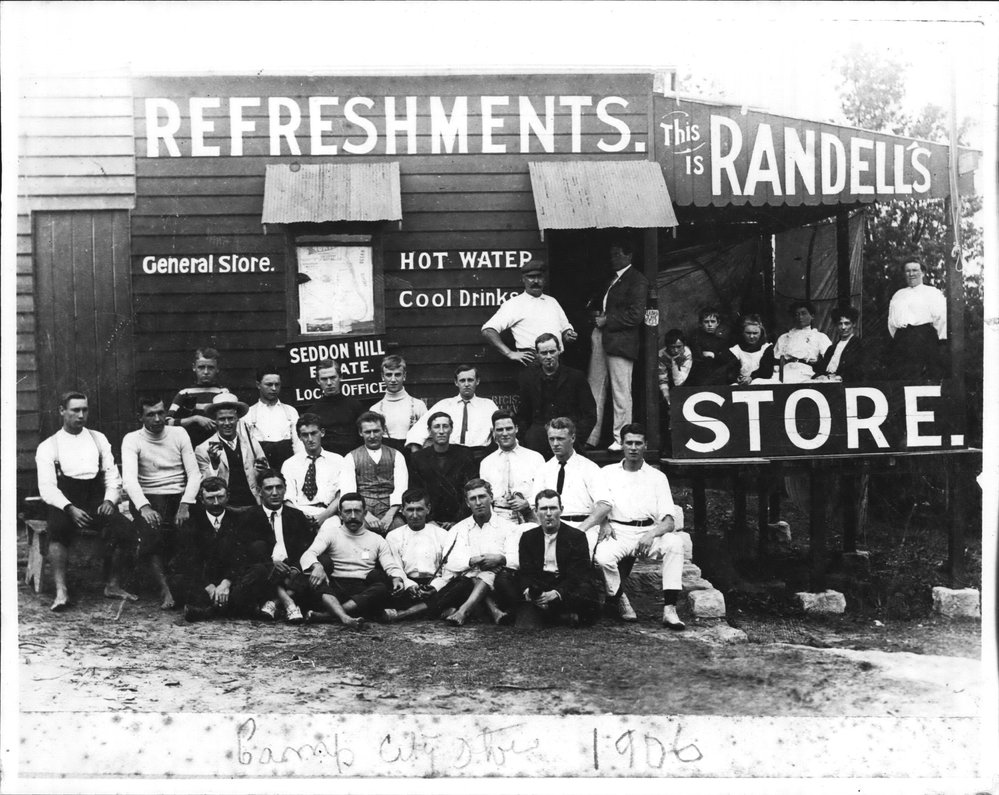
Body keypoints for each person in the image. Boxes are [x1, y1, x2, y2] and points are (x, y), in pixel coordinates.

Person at [35, 391, 137, 611]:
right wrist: (69, 508)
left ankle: (113, 584)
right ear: (62, 411)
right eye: (75, 410)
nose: (81, 415)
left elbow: (112, 475)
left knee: (124, 529)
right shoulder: (48, 446)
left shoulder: (98, 439)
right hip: (64, 501)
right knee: (58, 529)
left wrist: (110, 500)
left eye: (85, 410)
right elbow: (47, 488)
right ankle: (62, 591)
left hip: (94, 499)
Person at [596, 424, 688, 628]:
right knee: (602, 558)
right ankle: (620, 599)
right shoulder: (607, 473)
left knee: (675, 544)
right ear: (621, 444)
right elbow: (597, 504)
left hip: (648, 532)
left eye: (638, 443)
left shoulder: (657, 477)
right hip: (618, 531)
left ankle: (670, 609)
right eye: (629, 442)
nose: (633, 447)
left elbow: (669, 521)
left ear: (645, 445)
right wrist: (603, 522)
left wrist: (651, 534)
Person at [121, 395, 201, 609]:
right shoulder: (132, 439)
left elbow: (194, 473)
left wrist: (185, 504)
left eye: (161, 413)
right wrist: (144, 507)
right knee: (152, 534)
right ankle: (165, 589)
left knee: (190, 532)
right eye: (151, 415)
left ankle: (189, 587)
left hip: (178, 496)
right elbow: (129, 479)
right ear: (140, 417)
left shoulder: (179, 433)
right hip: (149, 497)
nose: (157, 419)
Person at [495, 490, 601, 627]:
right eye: (544, 509)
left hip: (563, 584)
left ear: (561, 510)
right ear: (537, 511)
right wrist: (529, 591)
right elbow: (527, 571)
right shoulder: (528, 537)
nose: (549, 513)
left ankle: (545, 612)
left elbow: (578, 575)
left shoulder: (577, 536)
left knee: (586, 590)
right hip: (539, 584)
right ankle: (556, 614)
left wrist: (556, 593)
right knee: (503, 580)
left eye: (553, 508)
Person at [300, 493, 406, 626]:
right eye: (348, 512)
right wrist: (317, 566)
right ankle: (345, 617)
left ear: (365, 513)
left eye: (357, 511)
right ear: (340, 514)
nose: (353, 516)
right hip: (334, 588)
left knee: (381, 587)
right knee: (318, 574)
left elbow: (390, 565)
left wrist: (396, 577)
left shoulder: (377, 539)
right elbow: (308, 554)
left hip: (362, 590)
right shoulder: (330, 534)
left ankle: (328, 616)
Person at [586, 241, 649, 451]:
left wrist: (608, 320)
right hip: (602, 338)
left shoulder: (637, 280)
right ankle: (591, 436)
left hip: (620, 342)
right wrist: (598, 316)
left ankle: (621, 438)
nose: (612, 258)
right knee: (595, 387)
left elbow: (636, 315)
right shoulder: (613, 279)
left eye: (616, 253)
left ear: (628, 255)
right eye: (611, 254)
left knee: (621, 391)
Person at [169, 477, 259, 622]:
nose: (216, 503)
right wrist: (209, 587)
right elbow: (189, 560)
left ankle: (208, 611)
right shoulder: (191, 523)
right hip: (204, 581)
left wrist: (226, 583)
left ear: (228, 496)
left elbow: (243, 556)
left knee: (257, 571)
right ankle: (233, 609)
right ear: (202, 499)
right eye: (210, 498)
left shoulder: (239, 520)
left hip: (231, 579)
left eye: (220, 497)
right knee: (177, 579)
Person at [432, 479, 517, 627]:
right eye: (473, 498)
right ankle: (493, 611)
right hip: (467, 584)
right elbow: (449, 562)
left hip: (498, 586)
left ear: (491, 497)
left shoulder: (508, 527)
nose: (478, 502)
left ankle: (463, 610)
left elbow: (517, 558)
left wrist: (500, 559)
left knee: (492, 572)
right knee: (471, 577)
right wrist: (472, 561)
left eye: (482, 496)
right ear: (467, 503)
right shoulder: (458, 529)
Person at [236, 470, 315, 623]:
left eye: (279, 487)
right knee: (259, 550)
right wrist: (271, 565)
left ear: (285, 489)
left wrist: (295, 568)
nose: (274, 493)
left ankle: (273, 603)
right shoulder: (248, 517)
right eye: (268, 488)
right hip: (265, 571)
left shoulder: (296, 516)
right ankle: (288, 603)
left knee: (320, 565)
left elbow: (307, 548)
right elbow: (243, 553)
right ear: (259, 491)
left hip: (291, 570)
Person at [481, 259, 577, 365]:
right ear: (523, 279)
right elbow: (488, 330)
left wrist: (568, 334)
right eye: (531, 277)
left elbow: (565, 328)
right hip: (533, 361)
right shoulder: (514, 304)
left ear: (544, 279)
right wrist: (509, 353)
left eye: (539, 277)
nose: (536, 281)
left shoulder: (552, 301)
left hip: (556, 359)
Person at [516, 333, 596, 456]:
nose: (548, 356)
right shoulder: (528, 379)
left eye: (552, 352)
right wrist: (527, 438)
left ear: (559, 351)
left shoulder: (576, 377)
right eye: (543, 353)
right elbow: (523, 415)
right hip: (537, 442)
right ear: (537, 355)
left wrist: (576, 438)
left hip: (568, 441)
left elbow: (590, 414)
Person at [380, 489, 453, 622]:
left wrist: (435, 587)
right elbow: (396, 568)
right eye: (410, 510)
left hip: (435, 586)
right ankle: (437, 610)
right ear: (402, 510)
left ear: (428, 509)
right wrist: (409, 586)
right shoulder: (393, 536)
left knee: (459, 585)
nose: (414, 515)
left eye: (419, 509)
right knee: (386, 587)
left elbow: (448, 570)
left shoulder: (442, 534)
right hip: (408, 586)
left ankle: (405, 614)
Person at [530, 417, 611, 535]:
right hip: (551, 528)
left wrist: (580, 530)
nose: (555, 444)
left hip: (583, 526)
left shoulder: (589, 467)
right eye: (551, 439)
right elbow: (534, 506)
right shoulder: (543, 469)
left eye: (560, 439)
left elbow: (605, 505)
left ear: (572, 438)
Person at [405, 365, 499, 459]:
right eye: (462, 380)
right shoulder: (444, 405)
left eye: (470, 380)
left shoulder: (488, 405)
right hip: (451, 457)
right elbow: (418, 430)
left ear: (477, 381)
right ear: (456, 382)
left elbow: (500, 431)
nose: (466, 384)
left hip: (478, 456)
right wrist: (417, 457)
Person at [194, 393, 269, 508]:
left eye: (231, 419)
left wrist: (262, 470)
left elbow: (265, 472)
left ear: (237, 419)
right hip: (224, 508)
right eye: (222, 419)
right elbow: (205, 486)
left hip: (253, 504)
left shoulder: (251, 442)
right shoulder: (203, 449)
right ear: (215, 421)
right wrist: (214, 466)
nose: (227, 423)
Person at [340, 412, 408, 535]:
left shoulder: (397, 455)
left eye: (376, 431)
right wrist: (366, 514)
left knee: (401, 533)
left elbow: (401, 489)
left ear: (383, 430)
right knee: (358, 534)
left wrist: (389, 515)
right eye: (367, 432)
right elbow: (348, 492)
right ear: (361, 433)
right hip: (362, 511)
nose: (372, 436)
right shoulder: (350, 457)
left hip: (390, 510)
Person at [408, 412, 479, 527]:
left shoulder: (465, 454)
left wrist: (457, 521)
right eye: (436, 426)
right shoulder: (418, 458)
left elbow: (471, 490)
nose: (441, 431)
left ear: (451, 429)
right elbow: (415, 492)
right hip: (429, 522)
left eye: (445, 426)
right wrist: (429, 520)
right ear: (429, 430)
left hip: (460, 521)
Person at [479, 410, 545, 523]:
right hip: (498, 519)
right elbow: (485, 497)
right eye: (499, 430)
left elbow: (543, 491)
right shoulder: (486, 463)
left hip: (530, 516)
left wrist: (527, 504)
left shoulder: (535, 458)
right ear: (494, 432)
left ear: (516, 429)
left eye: (509, 428)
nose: (504, 433)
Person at [281, 413, 343, 528]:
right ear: (299, 437)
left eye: (314, 433)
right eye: (305, 435)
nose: (310, 439)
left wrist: (323, 516)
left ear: (322, 432)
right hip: (298, 513)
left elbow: (340, 496)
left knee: (333, 530)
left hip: (327, 514)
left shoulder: (337, 460)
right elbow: (287, 499)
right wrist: (302, 517)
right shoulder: (289, 464)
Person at [887, 260, 947, 380]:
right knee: (901, 376)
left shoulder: (932, 292)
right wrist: (899, 337)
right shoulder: (898, 295)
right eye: (908, 271)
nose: (911, 274)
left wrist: (940, 340)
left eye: (915, 270)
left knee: (926, 375)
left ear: (923, 272)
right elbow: (892, 322)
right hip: (902, 338)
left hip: (924, 336)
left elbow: (940, 318)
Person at [752, 301, 832, 383]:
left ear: (812, 316)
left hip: (806, 372)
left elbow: (830, 358)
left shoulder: (820, 337)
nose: (800, 317)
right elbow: (775, 360)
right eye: (797, 314)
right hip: (784, 371)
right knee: (757, 382)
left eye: (803, 313)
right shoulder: (784, 337)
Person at [166, 347, 228, 448]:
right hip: (189, 447)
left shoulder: (223, 393)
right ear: (194, 367)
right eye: (201, 367)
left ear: (217, 369)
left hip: (217, 447)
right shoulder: (185, 393)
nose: (206, 372)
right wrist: (195, 419)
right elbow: (167, 422)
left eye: (211, 367)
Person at [244, 366, 303, 471]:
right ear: (258, 385)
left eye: (277, 384)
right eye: (269, 385)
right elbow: (246, 449)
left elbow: (298, 444)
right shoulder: (249, 414)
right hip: (261, 468)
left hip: (287, 466)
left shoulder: (290, 411)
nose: (274, 388)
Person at [305, 358, 364, 455]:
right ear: (318, 381)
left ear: (340, 377)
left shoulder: (355, 406)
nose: (329, 383)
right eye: (324, 379)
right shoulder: (313, 411)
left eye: (333, 377)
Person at [369, 355, 428, 452]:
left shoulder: (418, 405)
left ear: (404, 376)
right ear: (382, 377)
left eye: (397, 374)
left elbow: (427, 436)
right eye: (388, 375)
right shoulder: (375, 409)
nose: (393, 380)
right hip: (387, 458)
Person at [687, 306, 738, 387]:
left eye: (713, 321)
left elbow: (727, 357)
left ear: (718, 323)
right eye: (706, 322)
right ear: (700, 323)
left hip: (719, 375)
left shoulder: (722, 339)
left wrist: (714, 355)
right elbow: (698, 356)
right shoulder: (696, 338)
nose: (710, 325)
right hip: (701, 374)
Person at [813, 306, 864, 382]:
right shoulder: (831, 349)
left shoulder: (859, 345)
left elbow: (859, 371)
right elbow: (821, 369)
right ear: (836, 326)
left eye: (847, 323)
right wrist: (820, 376)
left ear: (854, 324)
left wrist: (841, 377)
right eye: (840, 324)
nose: (843, 327)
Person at [729, 316, 771, 386]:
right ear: (743, 333)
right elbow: (732, 372)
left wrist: (751, 377)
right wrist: (738, 378)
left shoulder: (766, 348)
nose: (751, 336)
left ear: (761, 333)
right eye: (748, 333)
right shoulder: (736, 350)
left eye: (755, 333)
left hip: (760, 381)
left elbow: (767, 372)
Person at [657, 329, 693, 405]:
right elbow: (662, 379)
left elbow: (679, 381)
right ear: (667, 346)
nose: (676, 350)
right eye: (672, 347)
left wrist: (674, 363)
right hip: (668, 383)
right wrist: (666, 395)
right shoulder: (661, 356)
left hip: (684, 382)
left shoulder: (687, 353)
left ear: (684, 345)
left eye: (679, 347)